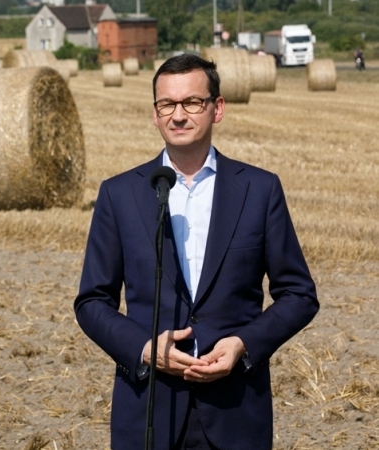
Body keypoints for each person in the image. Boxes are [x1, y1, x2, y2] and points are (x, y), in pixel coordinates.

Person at [74, 54, 318, 450]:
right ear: (154, 115)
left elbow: (299, 295)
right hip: (149, 413)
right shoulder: (119, 194)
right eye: (166, 104)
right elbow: (91, 302)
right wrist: (145, 349)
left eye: (192, 102)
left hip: (236, 411)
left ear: (217, 108)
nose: (178, 115)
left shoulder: (260, 190)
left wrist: (243, 345)